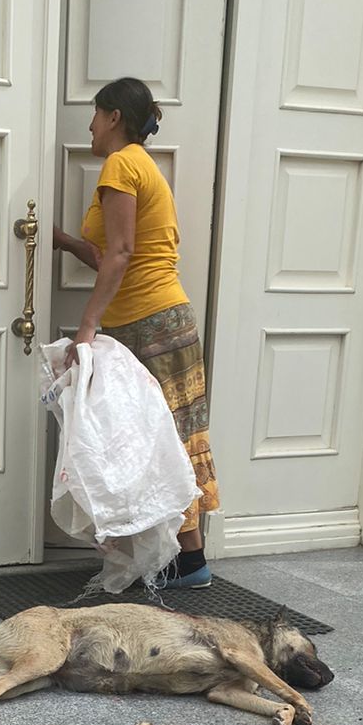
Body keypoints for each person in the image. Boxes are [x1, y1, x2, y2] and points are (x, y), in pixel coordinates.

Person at [52, 76, 218, 588]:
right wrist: (64, 242)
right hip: (156, 319)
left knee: (162, 439)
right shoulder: (140, 165)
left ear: (114, 117)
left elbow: (122, 254)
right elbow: (114, 254)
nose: (90, 126)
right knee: (166, 437)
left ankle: (189, 562)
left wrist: (86, 327)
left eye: (95, 114)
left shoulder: (122, 164)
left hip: (151, 323)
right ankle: (189, 562)